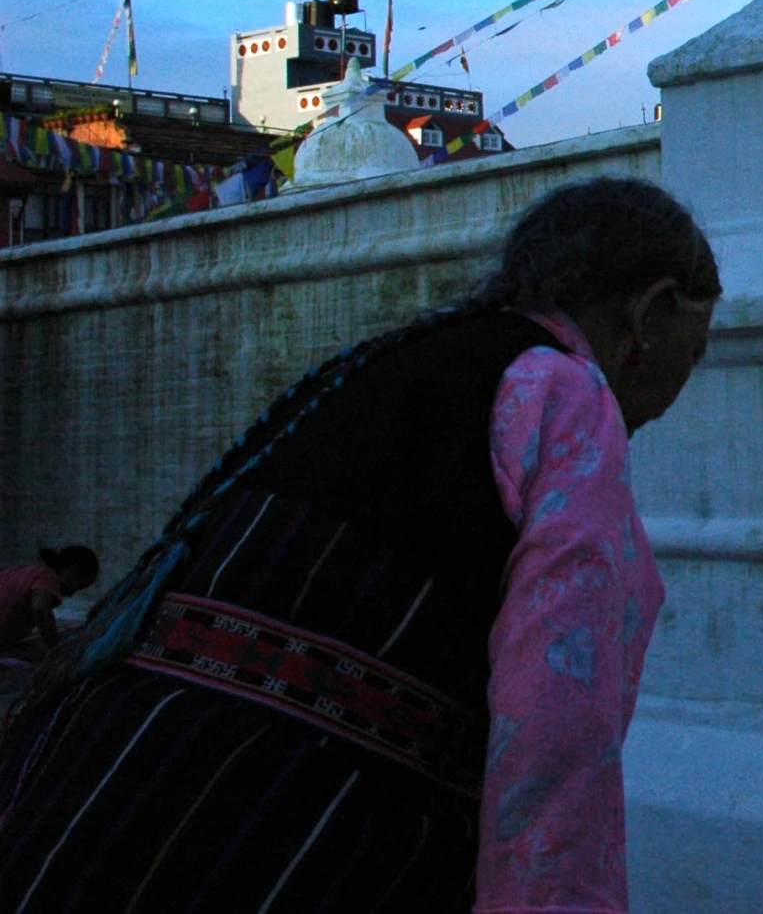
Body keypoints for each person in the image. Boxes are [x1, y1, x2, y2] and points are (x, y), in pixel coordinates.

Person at [0, 177, 720, 913]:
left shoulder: (385, 360)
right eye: (690, 356)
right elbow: (557, 715)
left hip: (90, 788)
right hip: (282, 833)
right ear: (648, 316)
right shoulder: (567, 397)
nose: (671, 397)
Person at [0, 548, 98, 656]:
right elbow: (40, 609)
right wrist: (55, 647)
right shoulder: (47, 578)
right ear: (73, 571)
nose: (72, 594)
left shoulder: (31, 573)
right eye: (78, 586)